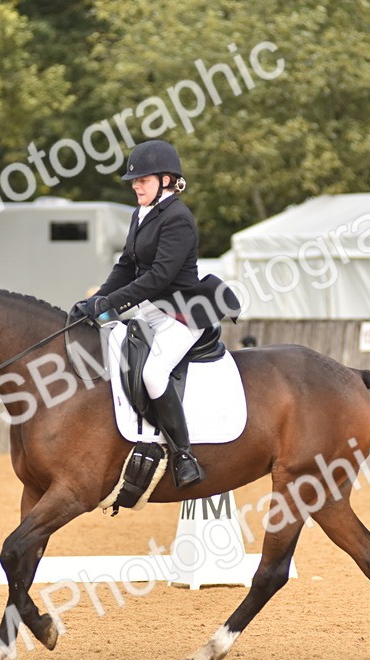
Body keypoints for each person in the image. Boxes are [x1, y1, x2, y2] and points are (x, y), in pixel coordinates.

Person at [69, 140, 240, 489]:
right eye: (134, 180)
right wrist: (97, 300)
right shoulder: (140, 214)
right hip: (150, 309)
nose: (135, 185)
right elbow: (127, 264)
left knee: (152, 372)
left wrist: (111, 303)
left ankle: (184, 455)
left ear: (166, 180)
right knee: (107, 349)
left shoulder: (179, 219)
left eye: (142, 179)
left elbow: (158, 277)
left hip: (182, 313)